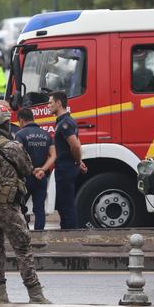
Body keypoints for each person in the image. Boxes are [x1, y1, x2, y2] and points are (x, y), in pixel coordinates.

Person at [0, 104, 50, 304]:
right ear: (5, 124)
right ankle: (35, 295)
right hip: (6, 205)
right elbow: (27, 168)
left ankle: (0, 296)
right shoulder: (12, 147)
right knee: (22, 247)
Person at [48, 91, 86, 229]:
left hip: (65, 168)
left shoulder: (65, 123)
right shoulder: (66, 121)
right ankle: (67, 230)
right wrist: (78, 161)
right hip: (65, 167)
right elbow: (77, 143)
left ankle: (70, 233)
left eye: (50, 103)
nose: (48, 106)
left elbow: (75, 145)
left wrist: (77, 162)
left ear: (59, 103)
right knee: (63, 203)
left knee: (66, 204)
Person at [15, 108, 56, 231]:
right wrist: (42, 170)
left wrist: (32, 170)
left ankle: (25, 232)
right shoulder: (46, 134)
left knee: (19, 207)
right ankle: (39, 234)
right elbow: (53, 155)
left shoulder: (20, 134)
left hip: (26, 178)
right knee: (39, 208)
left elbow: (18, 154)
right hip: (41, 177)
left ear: (21, 120)